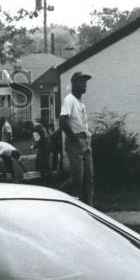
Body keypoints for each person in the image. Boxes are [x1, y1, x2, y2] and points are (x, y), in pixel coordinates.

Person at [60, 71, 94, 205]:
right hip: (75, 141)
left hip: (85, 140)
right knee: (77, 179)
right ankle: (57, 197)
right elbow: (62, 121)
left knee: (89, 178)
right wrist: (74, 139)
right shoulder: (69, 100)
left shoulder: (81, 102)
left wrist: (87, 137)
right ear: (74, 83)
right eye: (82, 82)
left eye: (86, 82)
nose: (85, 85)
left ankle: (89, 208)